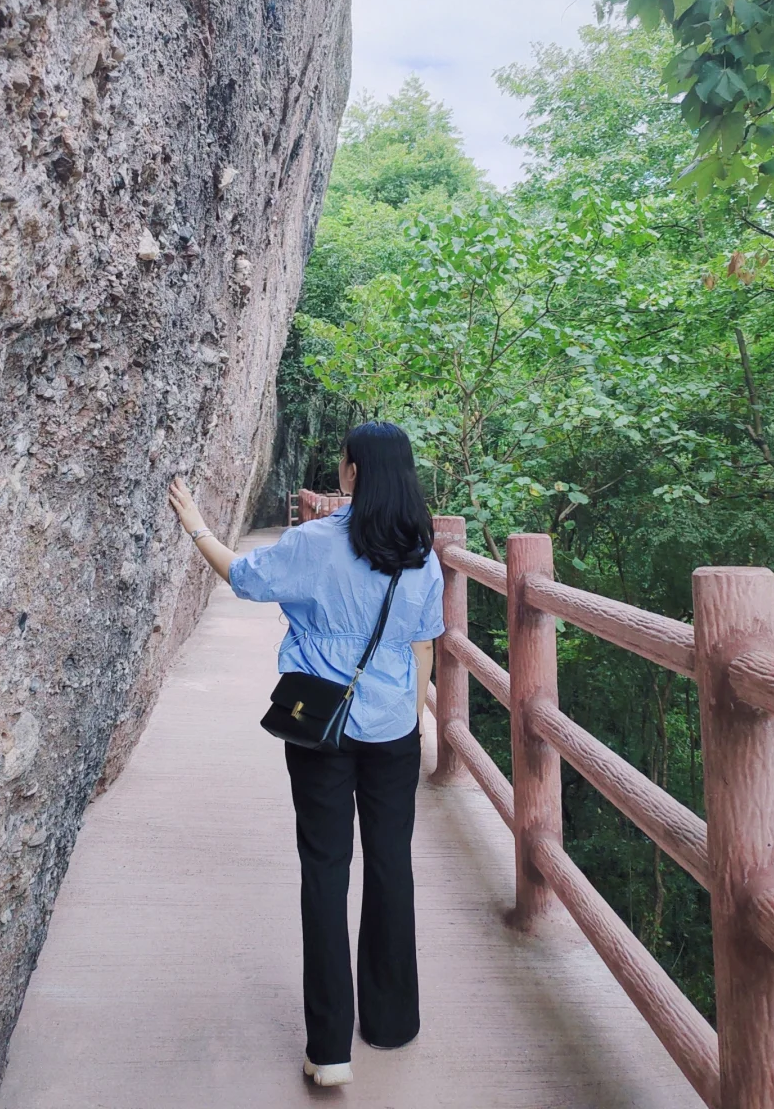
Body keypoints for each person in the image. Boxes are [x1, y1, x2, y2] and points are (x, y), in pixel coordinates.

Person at [168, 421, 445, 1089]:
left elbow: (245, 578)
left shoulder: (315, 543)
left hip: (321, 727)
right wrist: (410, 726)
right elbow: (424, 645)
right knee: (391, 868)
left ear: (352, 472)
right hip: (392, 730)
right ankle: (391, 1022)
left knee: (325, 870)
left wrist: (196, 525)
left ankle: (329, 1050)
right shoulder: (422, 553)